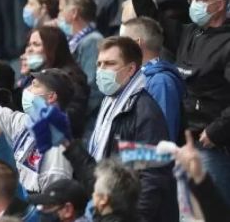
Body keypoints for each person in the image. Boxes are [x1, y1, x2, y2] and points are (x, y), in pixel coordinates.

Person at [131, 0, 230, 205]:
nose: (194, 3)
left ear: (220, 4)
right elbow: (150, 18)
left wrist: (217, 130)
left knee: (209, 212)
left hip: (211, 145)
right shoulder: (188, 34)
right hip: (182, 142)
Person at [62, 37, 177, 222]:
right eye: (99, 64)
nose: (101, 70)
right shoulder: (110, 102)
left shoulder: (144, 112)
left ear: (131, 69)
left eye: (109, 64)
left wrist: (135, 219)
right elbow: (101, 167)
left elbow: (151, 178)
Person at [17, 26, 89, 137]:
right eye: (29, 44)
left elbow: (73, 116)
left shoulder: (71, 76)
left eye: (36, 44)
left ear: (53, 48)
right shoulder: (37, 74)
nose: (29, 49)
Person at [120, 17, 184, 141]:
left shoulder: (161, 82)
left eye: (122, 41)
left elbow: (162, 133)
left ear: (136, 43)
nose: (118, 47)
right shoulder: (137, 77)